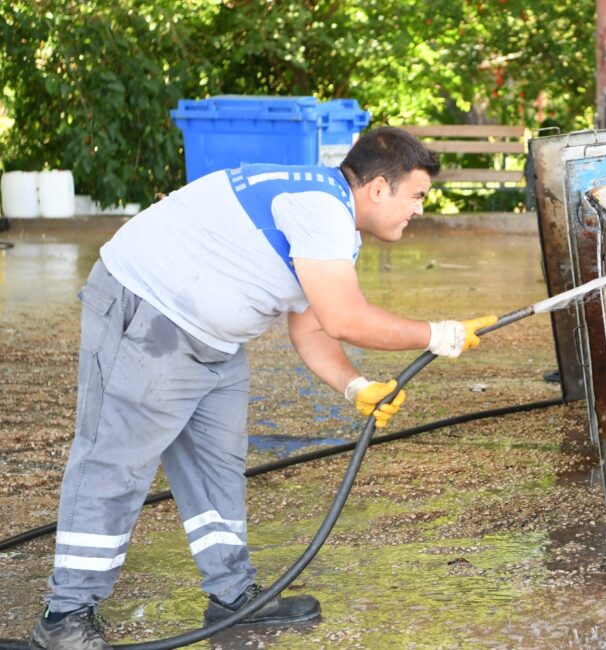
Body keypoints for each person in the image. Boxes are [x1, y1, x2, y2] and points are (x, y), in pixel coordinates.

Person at [30, 126, 496, 649]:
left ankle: (232, 596)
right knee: (115, 465)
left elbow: (313, 325)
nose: (418, 210)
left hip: (215, 339)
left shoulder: (332, 218)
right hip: (149, 316)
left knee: (218, 467)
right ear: (378, 188)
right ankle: (65, 615)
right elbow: (345, 318)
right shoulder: (320, 208)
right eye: (417, 196)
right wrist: (439, 334)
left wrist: (354, 385)